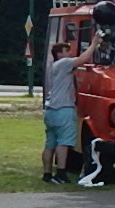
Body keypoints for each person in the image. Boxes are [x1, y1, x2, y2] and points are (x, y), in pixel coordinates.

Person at [41, 37, 96, 183]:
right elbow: (83, 59)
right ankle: (61, 174)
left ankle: (47, 174)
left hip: (50, 110)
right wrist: (94, 43)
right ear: (59, 53)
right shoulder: (64, 63)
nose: (70, 54)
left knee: (50, 144)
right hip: (63, 109)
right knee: (63, 143)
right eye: (67, 51)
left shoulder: (53, 66)